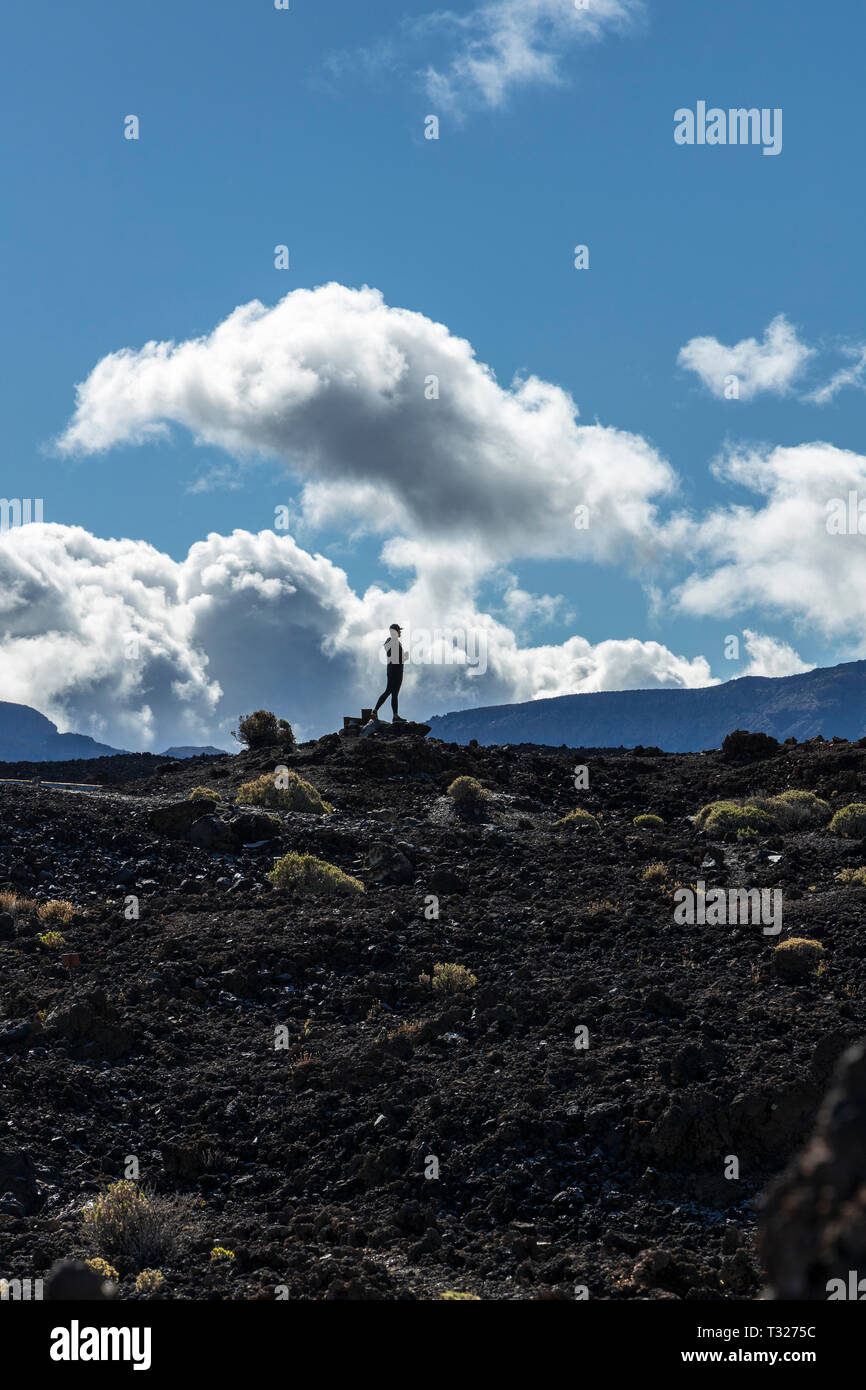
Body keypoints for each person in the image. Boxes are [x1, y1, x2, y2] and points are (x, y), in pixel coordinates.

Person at [365, 624, 407, 725]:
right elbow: (389, 654)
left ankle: (394, 716)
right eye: (399, 630)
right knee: (389, 691)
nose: (400, 632)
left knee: (394, 693)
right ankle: (375, 711)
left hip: (397, 669)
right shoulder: (390, 640)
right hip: (394, 670)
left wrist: (404, 657)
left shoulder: (396, 642)